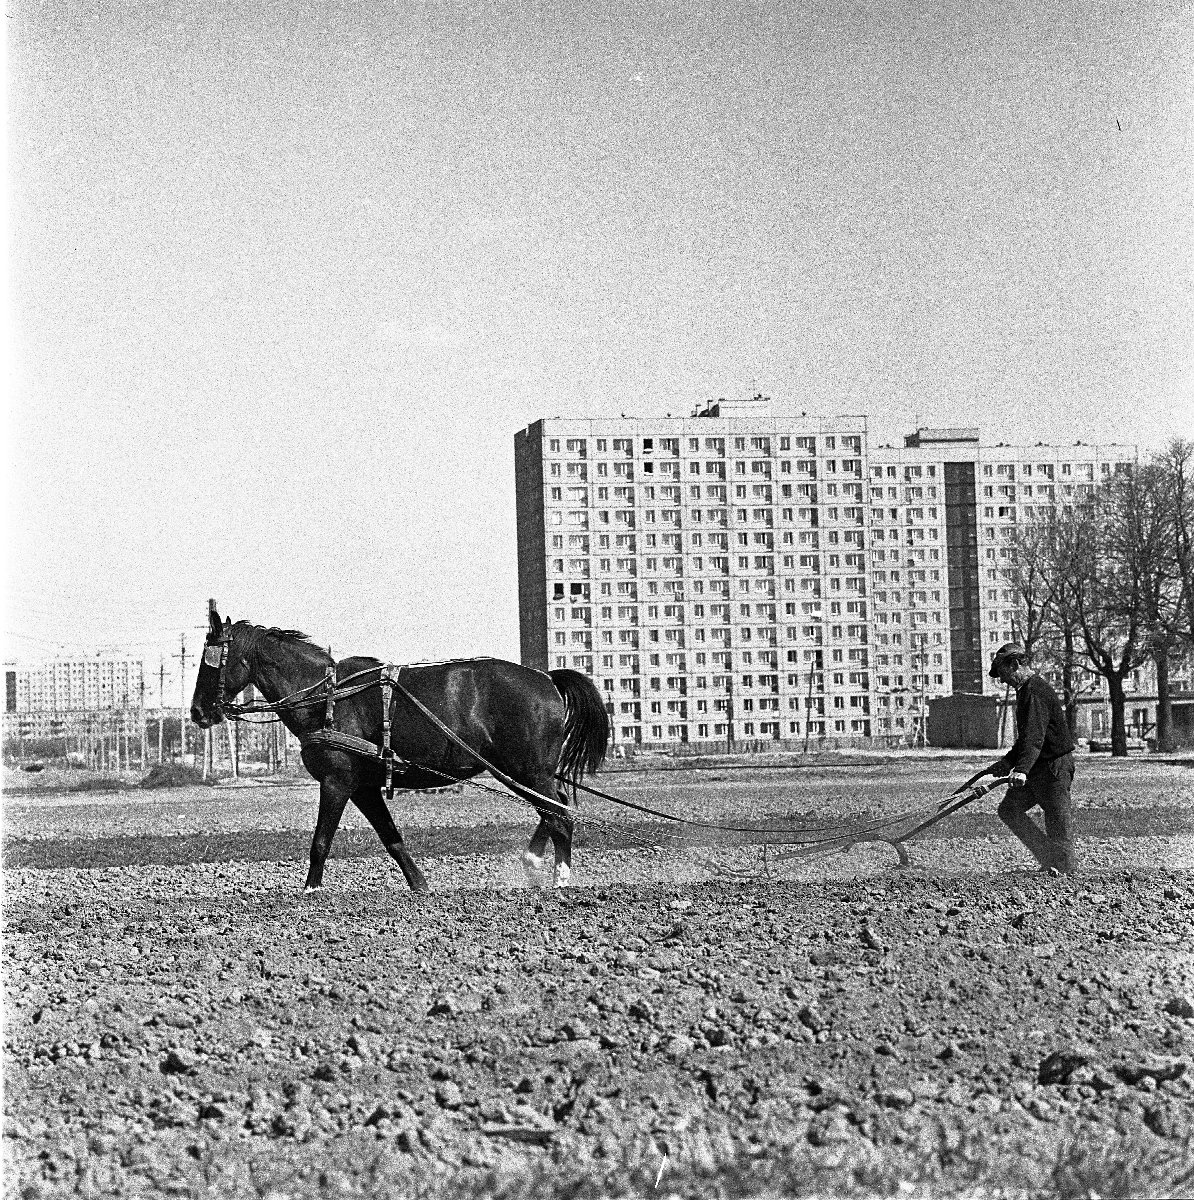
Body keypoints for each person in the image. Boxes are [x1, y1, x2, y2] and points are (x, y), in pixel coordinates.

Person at [984, 643, 1077, 875]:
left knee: (1057, 820)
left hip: (1053, 766)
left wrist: (1021, 769)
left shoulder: (1035, 691)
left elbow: (1035, 736)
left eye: (1004, 674)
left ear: (1015, 664)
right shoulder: (1026, 691)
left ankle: (1067, 875)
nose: (1004, 681)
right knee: (1009, 810)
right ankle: (1050, 859)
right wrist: (1008, 762)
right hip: (1037, 765)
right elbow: (1027, 739)